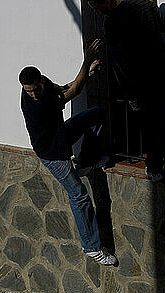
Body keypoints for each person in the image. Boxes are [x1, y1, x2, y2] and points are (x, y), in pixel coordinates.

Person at [19, 40, 118, 266]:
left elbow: (64, 88)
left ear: (40, 80)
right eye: (29, 91)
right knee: (79, 195)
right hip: (52, 155)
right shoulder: (35, 105)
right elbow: (75, 91)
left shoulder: (46, 87)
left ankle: (85, 161)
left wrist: (88, 73)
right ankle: (92, 247)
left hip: (60, 138)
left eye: (35, 89)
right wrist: (86, 61)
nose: (33, 94)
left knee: (96, 115)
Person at [88, 0, 165, 182]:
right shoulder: (144, 3)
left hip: (138, 81)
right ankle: (156, 162)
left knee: (146, 123)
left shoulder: (112, 22)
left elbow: (121, 62)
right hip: (159, 71)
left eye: (96, 6)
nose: (98, 11)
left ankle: (153, 164)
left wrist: (127, 90)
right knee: (156, 120)